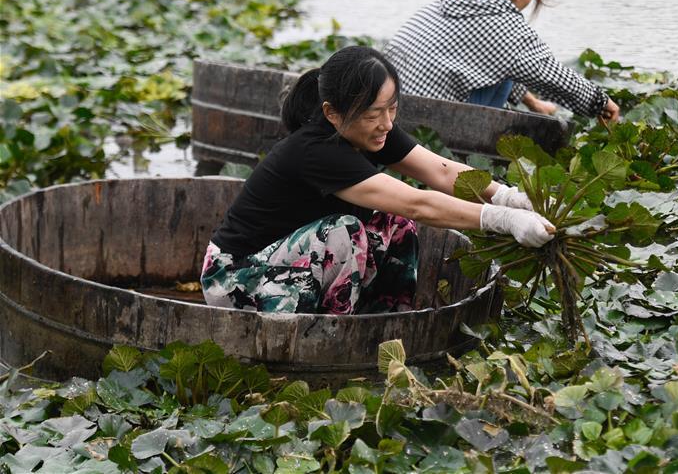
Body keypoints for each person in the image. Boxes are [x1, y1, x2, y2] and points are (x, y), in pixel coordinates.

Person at [200, 46, 554, 316]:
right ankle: (331, 330)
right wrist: (502, 221)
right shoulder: (315, 150)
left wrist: (506, 197)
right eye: (374, 113)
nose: (386, 122)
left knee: (397, 225)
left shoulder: (373, 130)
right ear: (332, 114)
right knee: (346, 230)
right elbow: (418, 201)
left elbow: (441, 171)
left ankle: (383, 319)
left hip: (292, 263)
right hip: (235, 277)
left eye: (392, 108)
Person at [386, 0, 620, 122]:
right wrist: (601, 102)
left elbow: (492, 61)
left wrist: (531, 102)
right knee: (518, 63)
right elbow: (550, 73)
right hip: (427, 123)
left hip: (388, 112)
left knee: (510, 64)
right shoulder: (505, 25)